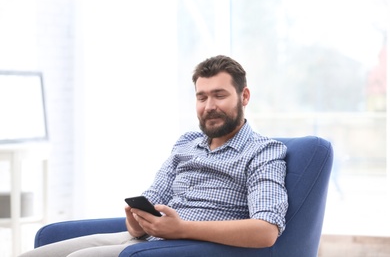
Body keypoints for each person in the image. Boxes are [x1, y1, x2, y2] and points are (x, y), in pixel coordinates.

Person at [19, 55, 288, 257]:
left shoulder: (263, 151)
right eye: (202, 97)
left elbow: (266, 231)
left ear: (244, 97)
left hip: (191, 246)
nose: (209, 106)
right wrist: (137, 222)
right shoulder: (186, 144)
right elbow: (153, 201)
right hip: (146, 241)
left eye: (219, 95)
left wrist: (181, 229)